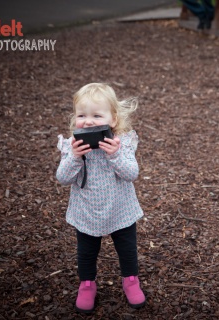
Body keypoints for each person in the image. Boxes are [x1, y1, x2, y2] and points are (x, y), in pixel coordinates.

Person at [56, 83, 146, 313]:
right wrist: (75, 157)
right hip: (86, 211)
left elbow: (131, 174)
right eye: (82, 115)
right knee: (86, 252)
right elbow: (63, 178)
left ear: (113, 120)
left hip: (120, 209)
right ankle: (87, 285)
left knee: (127, 249)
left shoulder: (122, 143)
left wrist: (114, 155)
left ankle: (131, 280)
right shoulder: (72, 147)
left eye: (97, 115)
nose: (88, 121)